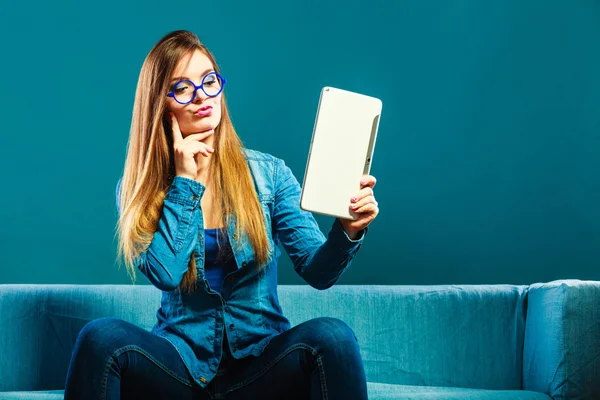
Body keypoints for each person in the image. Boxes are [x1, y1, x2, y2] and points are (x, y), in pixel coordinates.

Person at [64, 29, 379, 400]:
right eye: (182, 88)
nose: (201, 96)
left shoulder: (269, 175)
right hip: (180, 367)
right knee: (101, 338)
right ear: (160, 105)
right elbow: (166, 274)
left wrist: (347, 229)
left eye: (209, 81)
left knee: (334, 337)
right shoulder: (138, 189)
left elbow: (318, 270)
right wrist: (184, 183)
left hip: (260, 365)